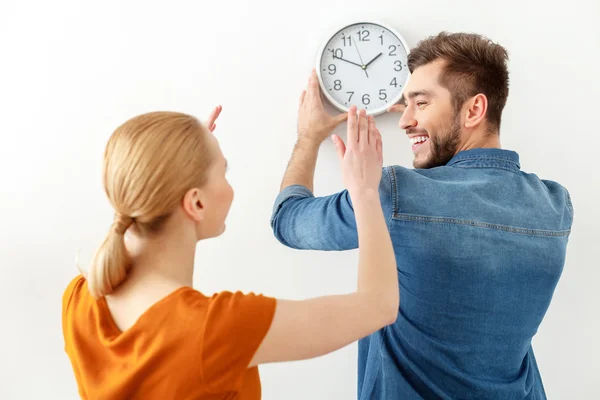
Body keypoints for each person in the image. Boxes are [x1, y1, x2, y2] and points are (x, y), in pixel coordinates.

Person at [270, 32, 574, 399]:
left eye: (421, 103)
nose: (404, 121)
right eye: (405, 104)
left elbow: (288, 220)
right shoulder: (554, 207)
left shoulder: (397, 196)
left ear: (474, 110)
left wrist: (307, 138)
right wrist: (428, 116)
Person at [61, 105, 399, 399]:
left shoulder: (79, 300)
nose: (229, 185)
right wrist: (364, 191)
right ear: (195, 202)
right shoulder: (217, 329)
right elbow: (378, 306)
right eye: (224, 171)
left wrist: (180, 163)